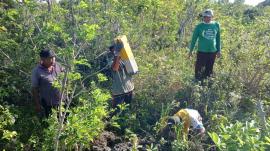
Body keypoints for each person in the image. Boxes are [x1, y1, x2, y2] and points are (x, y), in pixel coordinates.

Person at [189, 9, 221, 81]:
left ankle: (206, 84)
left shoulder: (216, 25)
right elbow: (194, 39)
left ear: (212, 17)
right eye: (205, 16)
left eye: (209, 16)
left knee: (209, 69)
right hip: (202, 52)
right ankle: (196, 83)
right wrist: (190, 51)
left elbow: (218, 39)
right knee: (199, 69)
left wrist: (219, 50)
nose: (207, 18)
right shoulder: (199, 26)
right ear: (203, 17)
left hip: (213, 52)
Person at [31, 49, 64, 118]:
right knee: (52, 124)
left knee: (65, 122)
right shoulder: (36, 71)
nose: (52, 60)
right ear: (42, 59)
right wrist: (37, 105)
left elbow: (66, 77)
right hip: (48, 104)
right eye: (49, 58)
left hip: (62, 101)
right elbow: (34, 89)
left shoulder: (58, 65)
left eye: (53, 58)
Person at [108, 44, 134, 111]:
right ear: (112, 51)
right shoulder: (110, 60)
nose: (116, 51)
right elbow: (115, 68)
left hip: (129, 89)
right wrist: (117, 56)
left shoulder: (125, 58)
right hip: (118, 93)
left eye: (117, 50)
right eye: (115, 50)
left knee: (126, 111)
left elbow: (132, 70)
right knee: (115, 113)